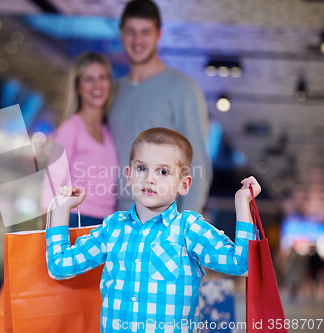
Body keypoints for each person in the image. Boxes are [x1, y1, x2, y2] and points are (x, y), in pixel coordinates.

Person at [46, 127, 260, 333]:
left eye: (163, 171)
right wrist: (61, 209)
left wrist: (243, 203)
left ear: (183, 185)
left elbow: (244, 264)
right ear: (128, 176)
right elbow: (60, 266)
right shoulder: (113, 228)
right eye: (142, 168)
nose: (150, 178)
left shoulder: (189, 229)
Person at [109, 0, 212, 214]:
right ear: (121, 34)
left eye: (145, 31)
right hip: (114, 219)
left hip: (162, 221)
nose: (138, 40)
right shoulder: (113, 91)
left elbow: (198, 166)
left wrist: (185, 229)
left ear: (159, 35)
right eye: (131, 31)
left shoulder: (184, 90)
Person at [41, 52, 118, 227]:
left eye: (102, 77)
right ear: (77, 87)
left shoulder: (107, 130)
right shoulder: (71, 128)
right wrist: (47, 232)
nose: (97, 85)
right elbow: (52, 182)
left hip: (105, 222)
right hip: (77, 219)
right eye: (89, 79)